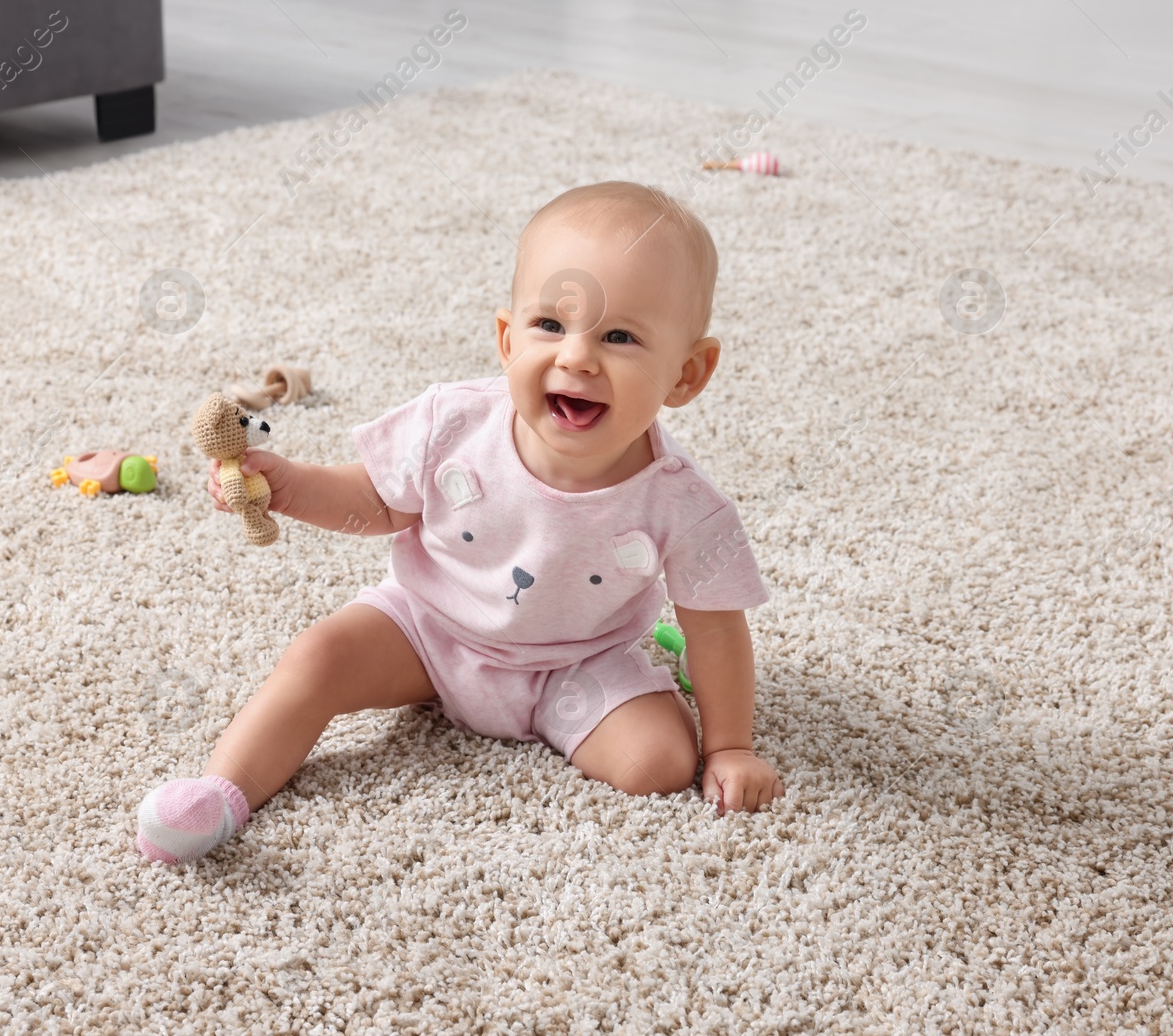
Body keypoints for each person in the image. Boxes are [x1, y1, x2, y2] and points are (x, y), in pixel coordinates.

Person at [137, 180, 783, 865]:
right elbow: (379, 502)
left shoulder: (683, 504)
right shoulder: (453, 423)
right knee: (318, 657)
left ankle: (575, 718)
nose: (576, 357)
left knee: (657, 762)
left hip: (576, 662)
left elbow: (714, 626)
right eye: (550, 326)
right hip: (428, 630)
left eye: (620, 336)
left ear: (687, 374)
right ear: (507, 339)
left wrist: (731, 746)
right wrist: (289, 487)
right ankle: (219, 792)